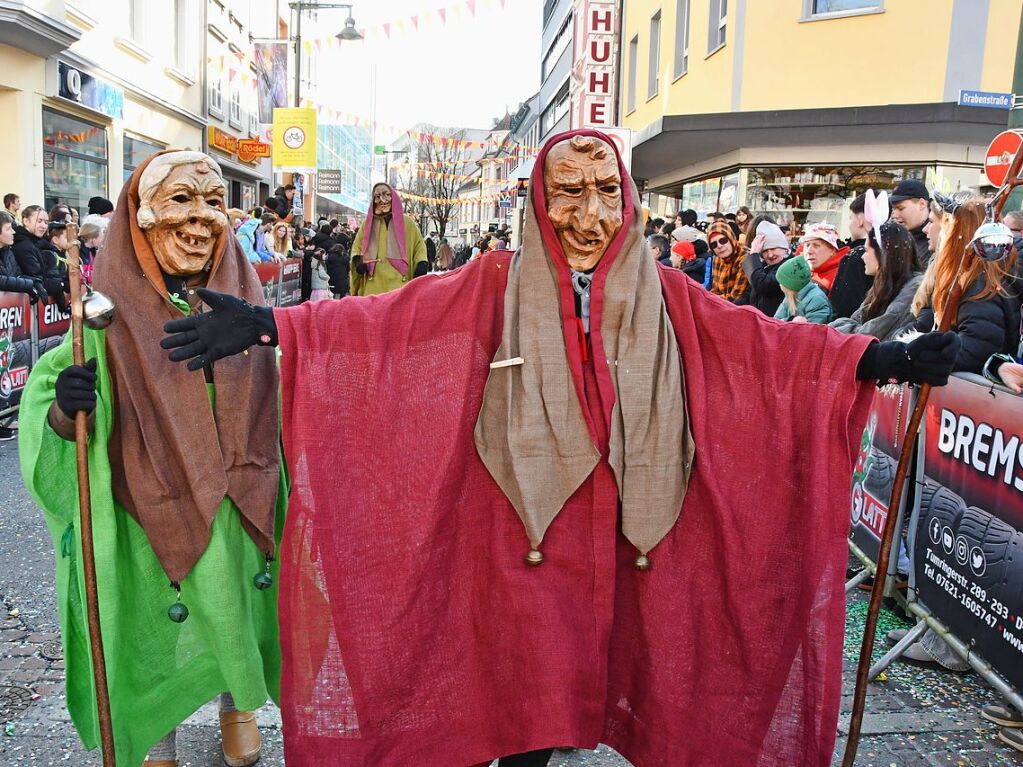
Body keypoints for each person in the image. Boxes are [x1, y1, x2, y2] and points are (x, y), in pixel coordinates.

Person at [161, 130, 960, 767]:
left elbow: (760, 348)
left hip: (630, 537)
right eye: (569, 194)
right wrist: (273, 326)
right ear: (540, 205)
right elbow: (391, 322)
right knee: (527, 685)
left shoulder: (669, 292)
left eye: (605, 192)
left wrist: (880, 359)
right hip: (517, 533)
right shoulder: (492, 282)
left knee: (624, 668)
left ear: (629, 199)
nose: (588, 215)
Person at [20, 151, 285, 767]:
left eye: (214, 202)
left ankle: (236, 705)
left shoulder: (243, 288)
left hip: (238, 485)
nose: (201, 219)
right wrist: (66, 406)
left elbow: (291, 371)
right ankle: (156, 728)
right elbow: (57, 397)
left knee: (233, 599)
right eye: (182, 201)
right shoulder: (106, 305)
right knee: (154, 611)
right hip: (149, 487)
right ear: (140, 216)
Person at [908, 197, 1020, 374]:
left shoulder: (980, 286)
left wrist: (919, 357)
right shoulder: (976, 279)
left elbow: (975, 351)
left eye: (948, 228)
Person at [831, 220, 923, 341]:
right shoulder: (884, 283)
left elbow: (870, 333)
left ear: (883, 254)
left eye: (867, 250)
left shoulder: (914, 286)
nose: (863, 256)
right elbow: (856, 319)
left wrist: (838, 329)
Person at [350, 183, 428, 297]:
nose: (382, 199)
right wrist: (358, 262)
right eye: (377, 196)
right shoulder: (367, 224)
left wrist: (421, 263)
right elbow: (356, 247)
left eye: (386, 194)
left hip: (400, 289)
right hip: (373, 289)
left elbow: (419, 246)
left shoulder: (407, 223)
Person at [799, 222, 870, 318]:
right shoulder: (802, 272)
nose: (809, 251)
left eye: (816, 245)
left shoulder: (843, 275)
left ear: (832, 250)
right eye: (807, 245)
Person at [13, 206, 65, 310]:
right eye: (39, 221)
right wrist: (61, 285)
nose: (43, 226)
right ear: (26, 221)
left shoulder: (36, 243)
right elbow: (38, 278)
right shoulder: (24, 246)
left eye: (46, 222)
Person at [742, 220, 792, 316]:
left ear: (784, 248)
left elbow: (763, 285)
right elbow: (748, 295)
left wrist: (754, 255)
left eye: (773, 248)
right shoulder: (764, 267)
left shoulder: (790, 267)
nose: (770, 255)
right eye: (765, 251)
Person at [774, 256, 832, 323]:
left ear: (791, 285)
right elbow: (775, 322)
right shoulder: (790, 296)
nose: (780, 285)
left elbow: (816, 330)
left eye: (782, 283)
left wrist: (790, 324)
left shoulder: (816, 300)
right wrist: (790, 322)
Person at [889, 179, 932, 265]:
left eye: (901, 208)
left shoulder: (935, 242)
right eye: (893, 209)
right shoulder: (897, 238)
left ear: (922, 204)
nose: (894, 215)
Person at [706, 220, 749, 302]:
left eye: (723, 240)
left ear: (731, 238)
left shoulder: (745, 258)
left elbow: (735, 297)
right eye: (714, 244)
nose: (719, 246)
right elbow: (715, 290)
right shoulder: (717, 258)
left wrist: (710, 298)